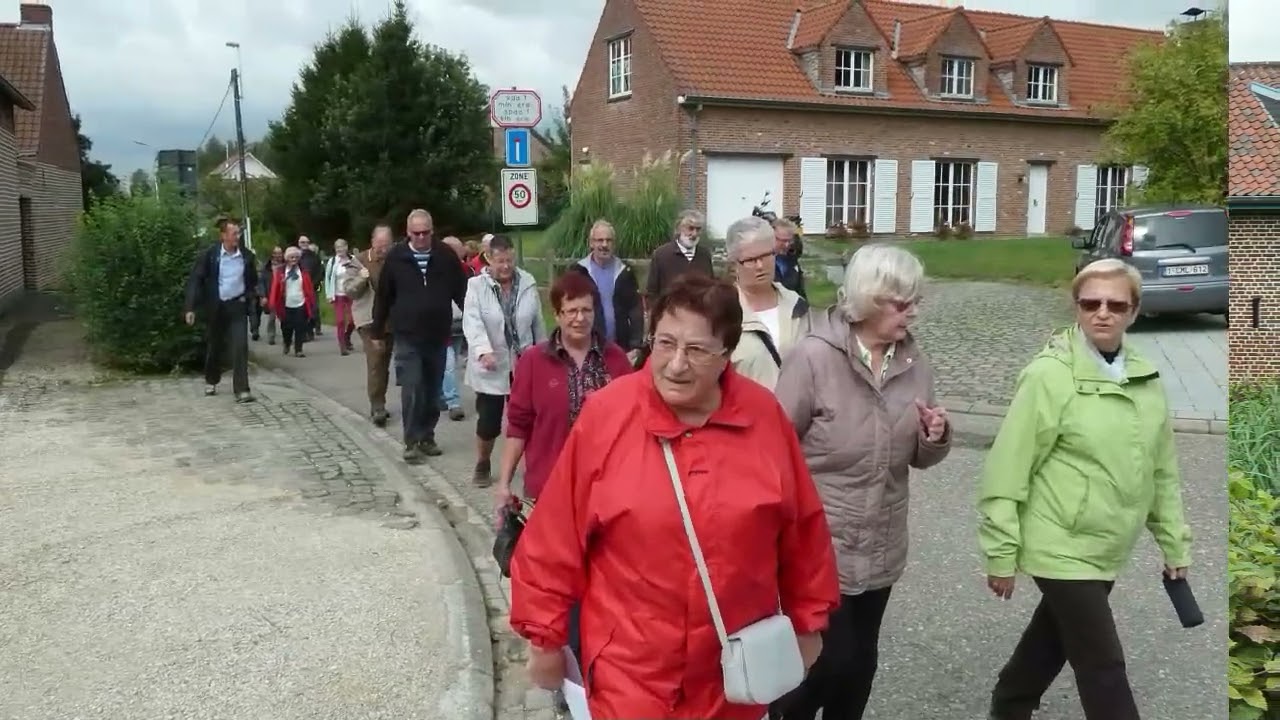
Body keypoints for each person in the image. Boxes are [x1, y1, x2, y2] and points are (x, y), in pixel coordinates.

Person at [509, 273, 840, 720]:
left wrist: (808, 621)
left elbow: (802, 532)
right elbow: (555, 537)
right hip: (631, 670)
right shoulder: (608, 416)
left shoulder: (764, 419)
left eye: (697, 350)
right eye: (665, 344)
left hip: (732, 671)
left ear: (727, 355)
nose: (676, 365)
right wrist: (544, 637)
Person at [979, 259, 1192, 720]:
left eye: (1116, 305)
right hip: (1059, 541)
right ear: (1075, 307)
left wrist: (1175, 544)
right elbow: (1007, 469)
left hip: (1109, 543)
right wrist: (1001, 551)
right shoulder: (1048, 375)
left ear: (1134, 312)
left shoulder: (1146, 379)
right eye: (1090, 303)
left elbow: (1161, 471)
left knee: (1052, 639)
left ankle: (1010, 702)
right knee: (1103, 664)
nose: (1102, 313)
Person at [772, 243, 951, 720]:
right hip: (821, 542)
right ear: (869, 298)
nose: (911, 312)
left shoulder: (915, 363)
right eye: (901, 302)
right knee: (827, 662)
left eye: (915, 301)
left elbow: (918, 457)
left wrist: (936, 436)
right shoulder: (813, 357)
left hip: (882, 538)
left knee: (860, 666)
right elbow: (774, 448)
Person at [495, 270, 634, 511]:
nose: (580, 318)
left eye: (586, 310)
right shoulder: (533, 362)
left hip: (606, 487)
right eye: (571, 311)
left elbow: (634, 425)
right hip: (549, 487)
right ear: (557, 315)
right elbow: (518, 426)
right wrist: (504, 484)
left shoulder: (616, 360)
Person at [370, 209, 468, 465]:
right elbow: (383, 296)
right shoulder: (396, 258)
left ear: (432, 231)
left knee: (433, 389)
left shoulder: (445, 256)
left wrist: (473, 321)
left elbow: (462, 291)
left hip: (438, 333)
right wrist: (377, 331)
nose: (422, 237)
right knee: (412, 387)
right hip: (407, 335)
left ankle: (427, 435)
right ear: (408, 233)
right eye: (417, 233)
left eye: (426, 232)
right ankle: (411, 440)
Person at [462, 234, 546, 486]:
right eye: (500, 261)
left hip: (524, 362)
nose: (506, 266)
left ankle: (535, 464)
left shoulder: (528, 283)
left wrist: (545, 354)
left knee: (527, 417)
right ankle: (483, 462)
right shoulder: (477, 286)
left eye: (509, 260)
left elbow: (537, 322)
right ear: (489, 258)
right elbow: (473, 322)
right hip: (492, 363)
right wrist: (483, 350)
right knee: (489, 421)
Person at [725, 216, 810, 391]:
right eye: (750, 260)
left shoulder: (797, 306)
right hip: (748, 414)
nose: (760, 266)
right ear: (734, 265)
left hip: (794, 414)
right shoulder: (722, 313)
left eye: (766, 256)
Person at [183, 217, 258, 403]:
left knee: (240, 346)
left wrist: (254, 299)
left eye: (239, 233)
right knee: (215, 345)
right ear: (223, 235)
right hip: (217, 306)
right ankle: (211, 379)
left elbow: (253, 281)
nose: (237, 237)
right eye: (234, 234)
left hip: (237, 305)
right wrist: (190, 307)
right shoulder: (210, 255)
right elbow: (196, 280)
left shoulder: (246, 256)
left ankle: (242, 389)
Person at [567, 219, 645, 364]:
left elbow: (635, 309)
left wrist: (636, 345)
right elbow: (567, 309)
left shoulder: (625, 271)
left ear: (613, 244)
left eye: (608, 240)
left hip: (621, 349)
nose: (604, 245)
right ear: (591, 243)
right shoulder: (578, 272)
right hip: (587, 350)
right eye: (599, 240)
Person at [345, 225, 395, 426]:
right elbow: (349, 290)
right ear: (373, 242)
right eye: (380, 245)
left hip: (390, 320)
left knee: (384, 362)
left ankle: (380, 399)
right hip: (367, 320)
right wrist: (361, 278)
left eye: (387, 245)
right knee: (376, 361)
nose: (383, 249)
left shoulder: (395, 260)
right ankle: (377, 406)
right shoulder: (360, 261)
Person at [645, 209, 714, 310]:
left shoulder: (704, 255)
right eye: (690, 228)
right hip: (671, 316)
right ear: (678, 228)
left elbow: (711, 288)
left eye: (698, 229)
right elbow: (652, 292)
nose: (694, 234)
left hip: (700, 316)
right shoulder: (661, 255)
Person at [267, 246, 319, 358]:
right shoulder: (281, 271)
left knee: (300, 327)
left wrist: (312, 302)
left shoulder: (303, 271)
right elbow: (275, 288)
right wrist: (272, 303)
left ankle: (298, 349)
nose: (294, 259)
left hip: (300, 303)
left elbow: (309, 288)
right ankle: (287, 343)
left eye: (296, 257)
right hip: (286, 304)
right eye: (291, 257)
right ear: (287, 258)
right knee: (286, 328)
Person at [439, 236, 469, 422]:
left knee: (450, 363)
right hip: (442, 325)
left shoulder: (466, 270)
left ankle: (441, 395)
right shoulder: (435, 272)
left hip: (461, 324)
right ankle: (453, 402)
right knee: (448, 365)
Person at [324, 238, 360, 354]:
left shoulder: (353, 260)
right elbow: (328, 278)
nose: (340, 249)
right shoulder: (333, 261)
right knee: (340, 321)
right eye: (337, 247)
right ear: (335, 249)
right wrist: (329, 294)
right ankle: (342, 346)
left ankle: (347, 336)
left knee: (353, 320)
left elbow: (360, 273)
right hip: (338, 294)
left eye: (342, 247)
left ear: (346, 247)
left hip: (350, 294)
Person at [253, 246, 284, 344]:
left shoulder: (285, 266)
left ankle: (287, 336)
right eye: (276, 253)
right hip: (271, 295)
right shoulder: (266, 268)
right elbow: (260, 282)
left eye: (280, 253)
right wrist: (263, 296)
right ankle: (271, 336)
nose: (278, 255)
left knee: (285, 318)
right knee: (272, 317)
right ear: (272, 255)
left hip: (283, 295)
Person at [772, 218, 806, 300]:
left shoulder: (792, 259)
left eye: (789, 241)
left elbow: (800, 289)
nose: (787, 245)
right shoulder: (761, 262)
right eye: (783, 241)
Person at [297, 235, 323, 339]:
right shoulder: (296, 256)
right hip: (299, 287)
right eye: (302, 242)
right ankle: (306, 332)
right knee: (302, 310)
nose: (304, 244)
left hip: (313, 287)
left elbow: (320, 271)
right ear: (299, 244)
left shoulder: (314, 256)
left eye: (306, 242)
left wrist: (314, 283)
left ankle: (313, 328)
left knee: (314, 309)